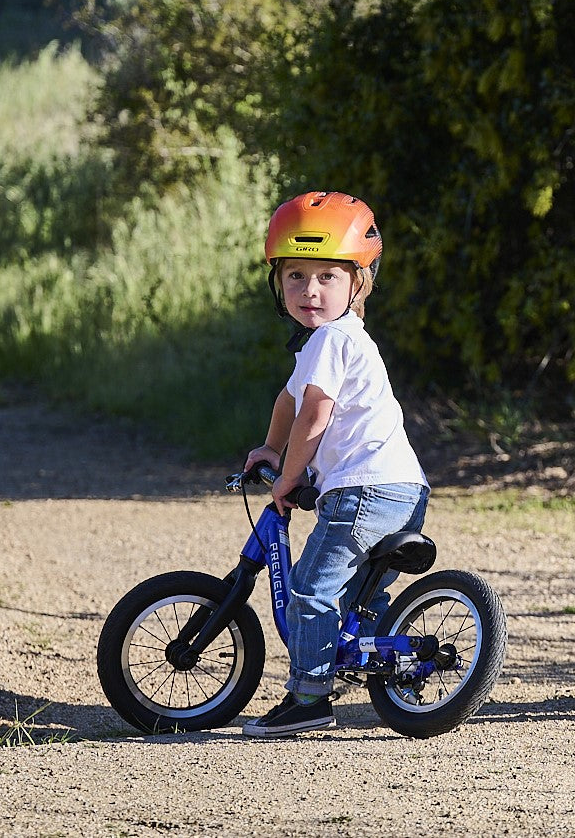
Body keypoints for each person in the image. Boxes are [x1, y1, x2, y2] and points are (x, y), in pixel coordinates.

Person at [239, 190, 430, 738]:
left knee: (309, 590)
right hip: (403, 489)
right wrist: (269, 450)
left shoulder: (330, 340)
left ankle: (308, 697)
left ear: (357, 283)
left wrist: (288, 477)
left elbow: (313, 417)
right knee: (356, 595)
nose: (310, 291)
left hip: (362, 491)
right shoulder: (333, 342)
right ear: (278, 283)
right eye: (296, 276)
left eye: (327, 277)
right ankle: (391, 667)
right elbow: (288, 402)